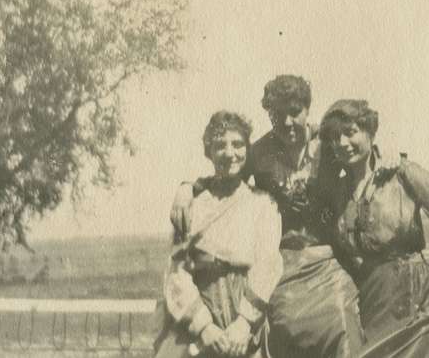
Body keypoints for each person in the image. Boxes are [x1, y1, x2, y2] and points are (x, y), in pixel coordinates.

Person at [174, 75, 365, 357]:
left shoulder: (329, 145)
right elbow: (227, 169)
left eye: (294, 112)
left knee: (343, 327)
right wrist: (187, 188)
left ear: (307, 110)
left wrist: (383, 156)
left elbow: (363, 157)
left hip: (327, 261)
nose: (287, 122)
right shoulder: (260, 151)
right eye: (277, 114)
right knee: (279, 328)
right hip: (284, 263)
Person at [318, 99, 429, 358]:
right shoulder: (337, 194)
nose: (343, 143)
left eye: (350, 132)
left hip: (417, 308)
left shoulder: (402, 174)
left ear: (370, 131)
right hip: (371, 304)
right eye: (335, 137)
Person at [156, 111, 282, 358]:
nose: (230, 153)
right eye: (220, 146)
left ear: (247, 148)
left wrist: (244, 324)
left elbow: (267, 266)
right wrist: (204, 327)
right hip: (198, 319)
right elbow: (176, 271)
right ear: (208, 152)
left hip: (245, 322)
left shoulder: (263, 204)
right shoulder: (191, 204)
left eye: (237, 144)